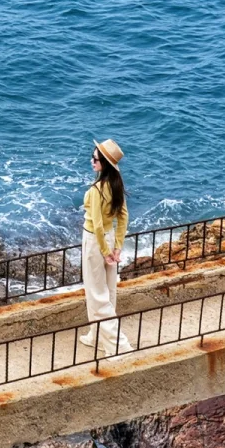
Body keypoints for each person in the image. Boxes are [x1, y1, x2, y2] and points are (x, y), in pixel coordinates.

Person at [80, 138, 132, 355]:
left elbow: (98, 225)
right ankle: (96, 336)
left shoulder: (96, 189)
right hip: (109, 238)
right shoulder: (116, 184)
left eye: (95, 159)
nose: (92, 161)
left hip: (94, 241)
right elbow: (123, 216)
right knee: (108, 291)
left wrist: (104, 251)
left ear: (104, 164)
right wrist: (116, 246)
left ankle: (117, 346)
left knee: (96, 294)